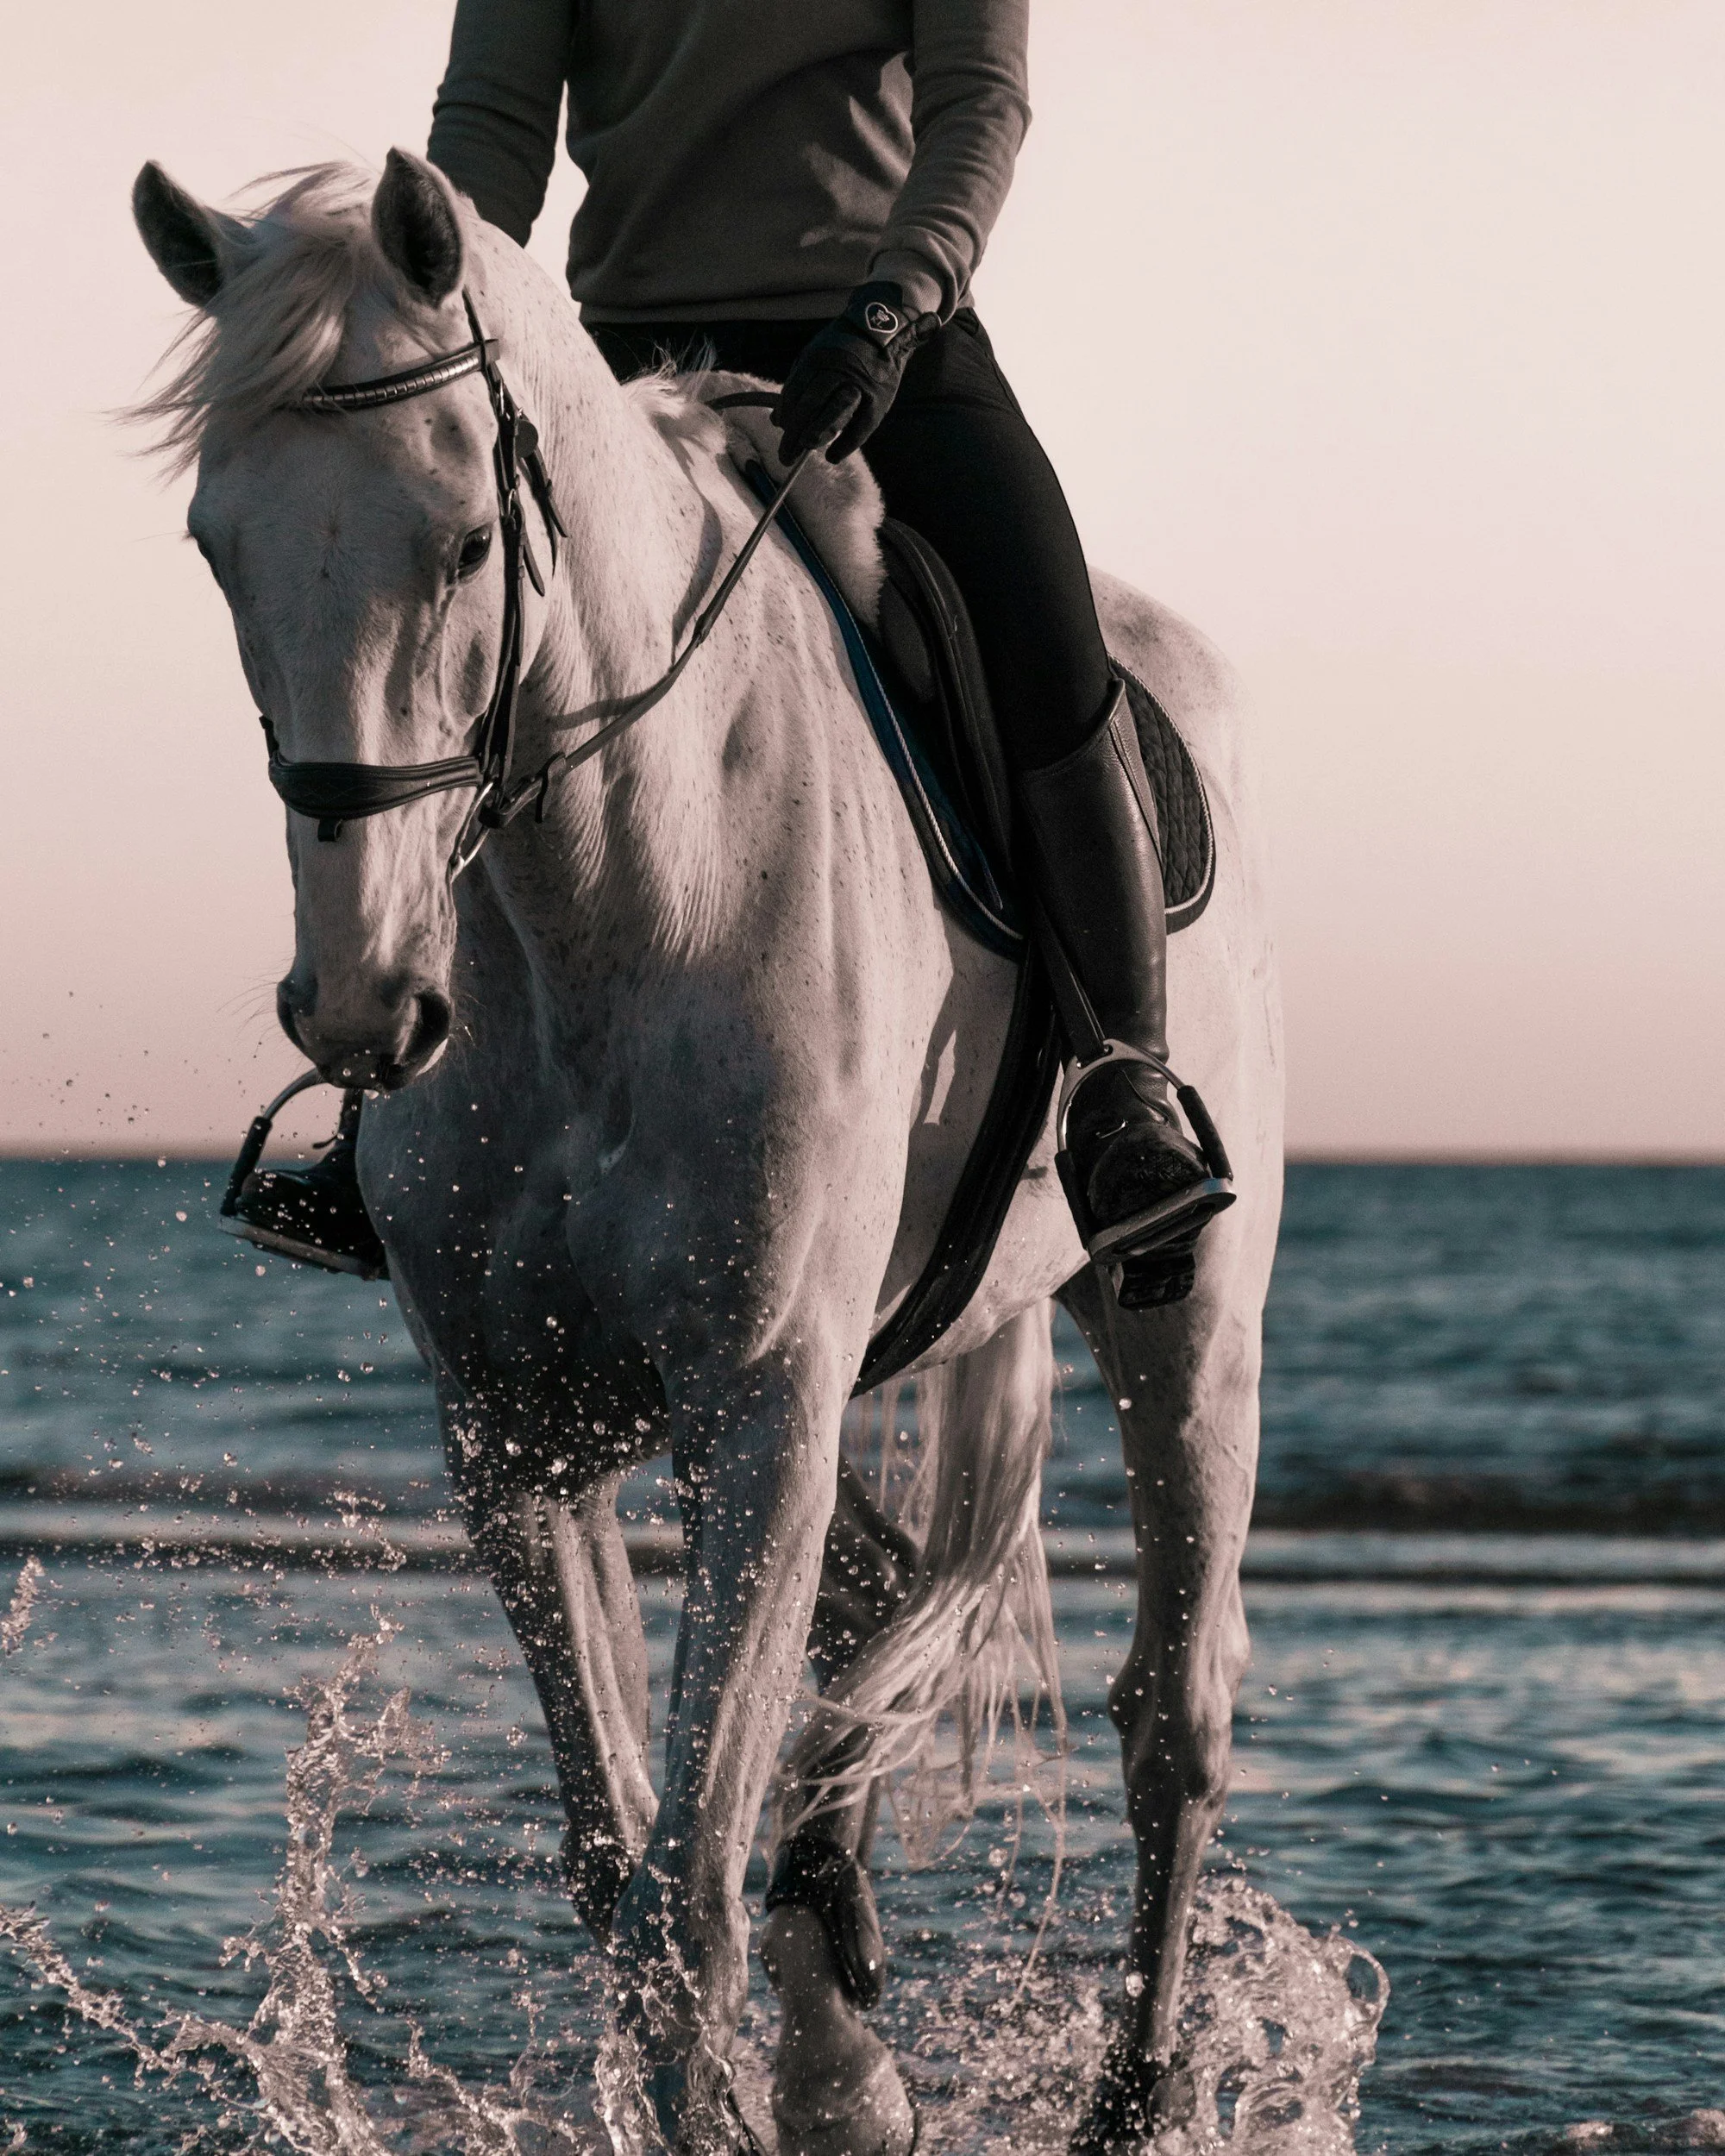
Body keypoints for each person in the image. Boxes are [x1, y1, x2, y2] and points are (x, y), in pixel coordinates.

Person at [233, 0, 1232, 1307]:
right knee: (460, 641)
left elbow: (979, 104)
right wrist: (435, 304)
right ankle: (393, 1110)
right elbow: (486, 135)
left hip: (884, 340)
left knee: (1043, 643)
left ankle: (1121, 1086)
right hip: (613, 354)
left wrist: (894, 305)